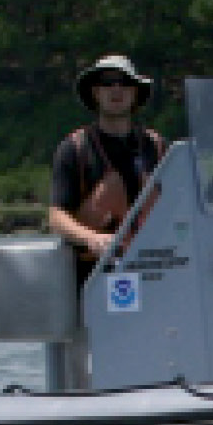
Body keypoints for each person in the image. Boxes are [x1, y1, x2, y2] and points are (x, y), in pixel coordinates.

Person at [49, 54, 166, 279]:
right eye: (107, 83)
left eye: (125, 83)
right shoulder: (74, 148)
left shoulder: (157, 146)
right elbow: (57, 216)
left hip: (150, 269)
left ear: (135, 93)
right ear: (96, 93)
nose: (116, 89)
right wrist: (91, 238)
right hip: (94, 272)